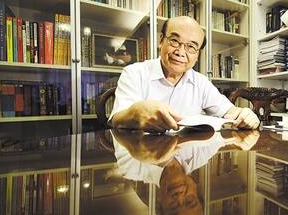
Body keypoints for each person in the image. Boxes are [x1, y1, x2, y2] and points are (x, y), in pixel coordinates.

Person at [109, 16, 260, 131]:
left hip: (184, 153)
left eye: (191, 47)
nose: (180, 52)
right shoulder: (134, 73)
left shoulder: (201, 82)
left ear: (197, 54)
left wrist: (244, 113)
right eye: (174, 41)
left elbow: (228, 111)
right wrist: (135, 113)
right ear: (161, 41)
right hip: (142, 155)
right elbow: (116, 119)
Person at [111, 128, 260, 215]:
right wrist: (243, 135)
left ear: (160, 201)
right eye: (190, 201)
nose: (180, 196)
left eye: (173, 206)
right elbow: (223, 138)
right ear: (195, 188)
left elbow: (121, 130)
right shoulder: (200, 157)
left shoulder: (131, 168)